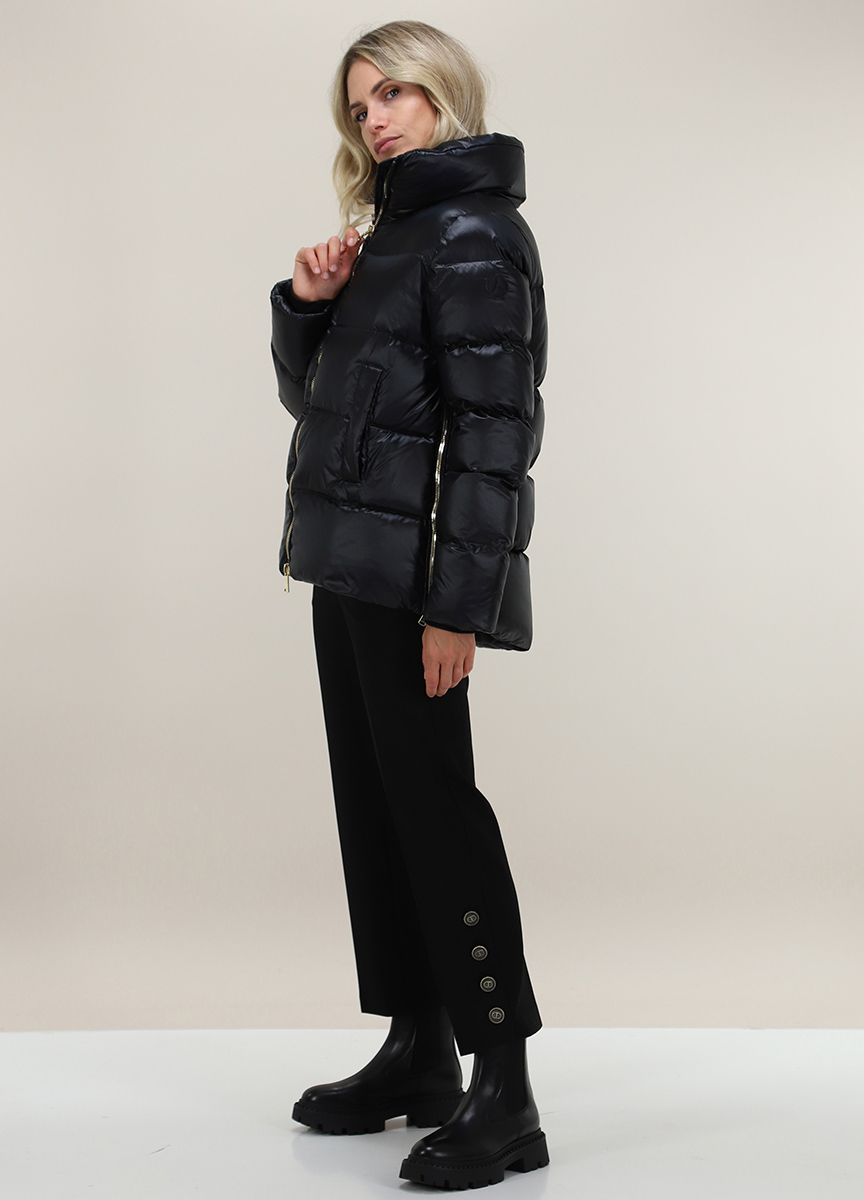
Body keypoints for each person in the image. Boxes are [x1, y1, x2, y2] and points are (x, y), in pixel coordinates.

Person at [269, 20, 549, 1190]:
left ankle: (504, 1088)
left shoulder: (475, 233)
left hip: (416, 581)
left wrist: (458, 607)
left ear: (443, 93)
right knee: (375, 808)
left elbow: (493, 438)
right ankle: (417, 1052)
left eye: (393, 93)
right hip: (348, 565)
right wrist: (307, 304)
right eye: (359, 104)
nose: (374, 118)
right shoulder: (391, 234)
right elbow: (322, 407)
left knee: (434, 809)